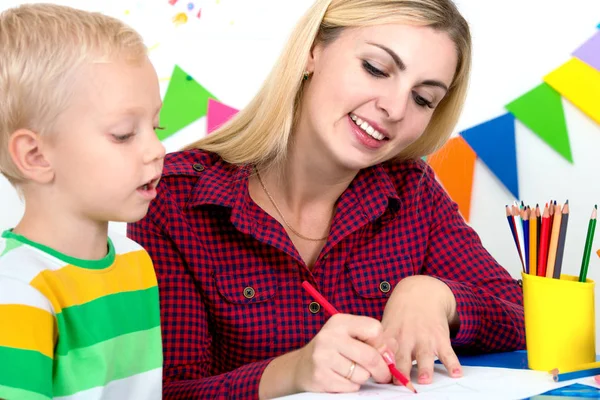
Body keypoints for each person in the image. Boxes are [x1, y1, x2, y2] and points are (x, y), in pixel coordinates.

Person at [128, 0, 525, 398]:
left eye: (422, 98)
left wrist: (440, 295)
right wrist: (292, 372)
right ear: (312, 52)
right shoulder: (176, 198)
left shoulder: (412, 190)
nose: (395, 108)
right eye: (376, 69)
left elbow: (527, 318)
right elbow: (164, 391)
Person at [0, 4, 165, 399]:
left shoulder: (136, 263)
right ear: (37, 156)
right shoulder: (18, 290)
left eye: (156, 127)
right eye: (125, 134)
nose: (157, 149)